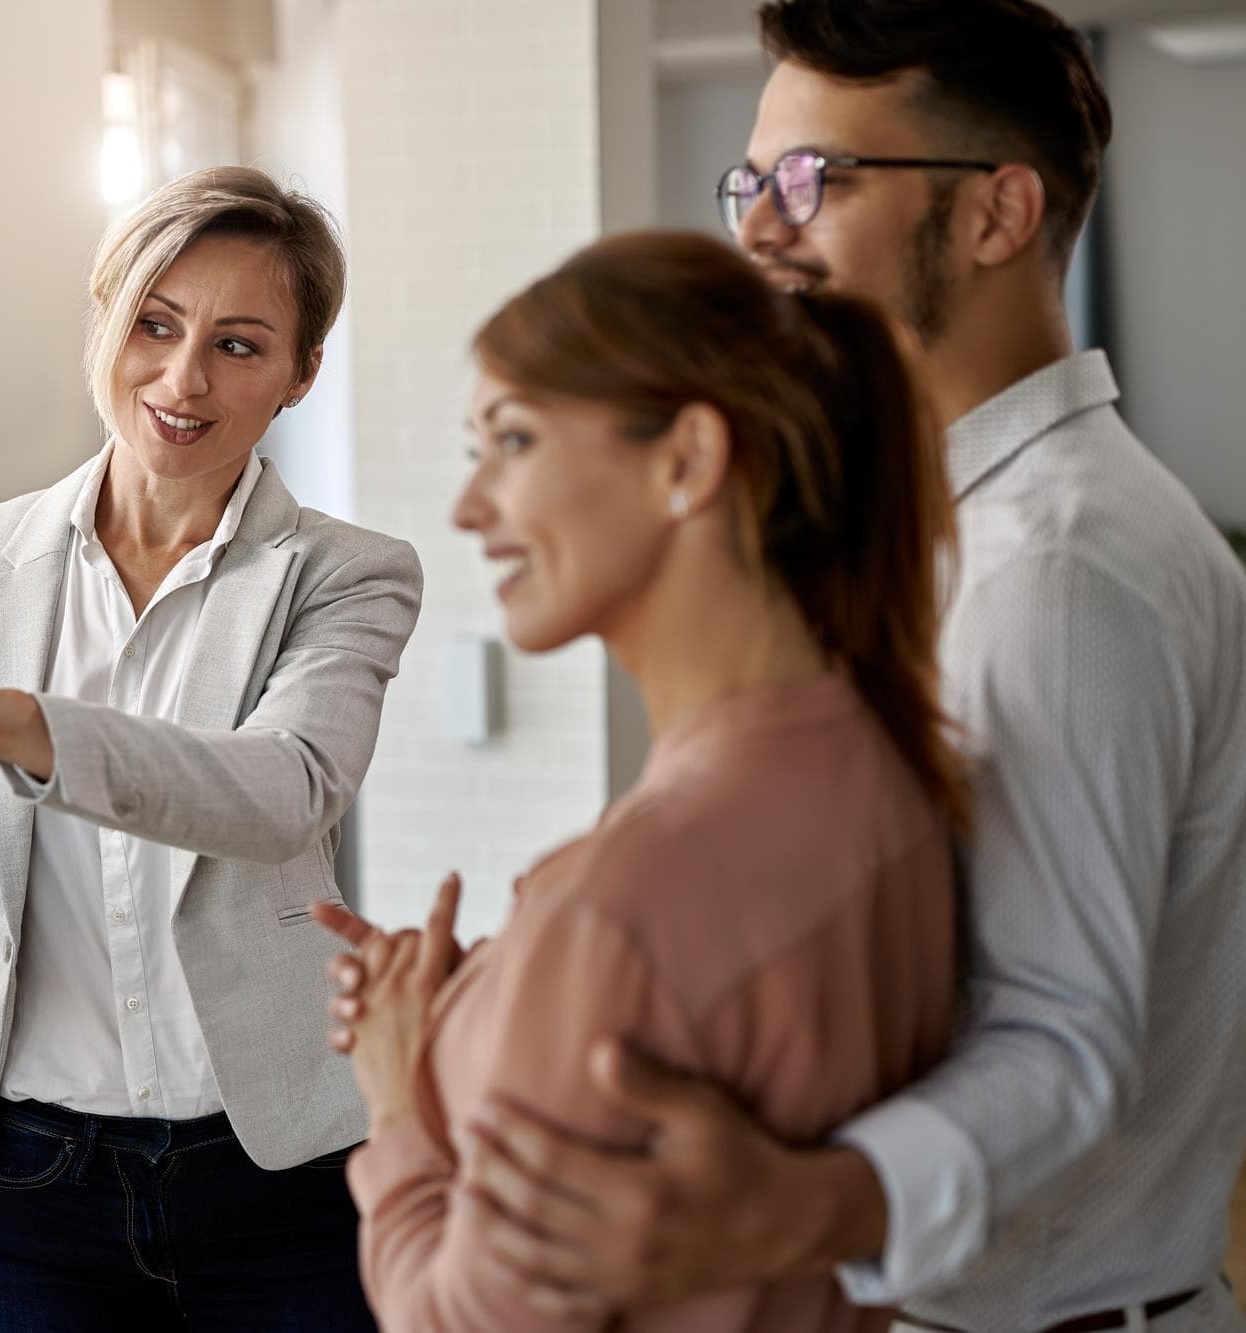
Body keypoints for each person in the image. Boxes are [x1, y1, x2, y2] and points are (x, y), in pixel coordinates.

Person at [389, 3, 1246, 1330]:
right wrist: (528, 987)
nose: (759, 228)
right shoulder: (905, 531)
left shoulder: (1056, 569)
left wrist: (803, 1205)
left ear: (994, 215)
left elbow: (1063, 1040)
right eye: (751, 181)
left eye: (815, 179)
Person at [0, 165, 421, 1331]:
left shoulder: (344, 573)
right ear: (101, 314)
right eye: (152, 322)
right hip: (27, 1184)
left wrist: (12, 724)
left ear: (301, 374)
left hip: (276, 1172)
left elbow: (280, 795)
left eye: (239, 345)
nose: (182, 376)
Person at [313, 229, 966, 1331]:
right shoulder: (884, 773)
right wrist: (490, 994)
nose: (468, 507)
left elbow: (451, 1320)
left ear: (685, 461)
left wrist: (396, 1103)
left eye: (510, 440)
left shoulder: (616, 909)